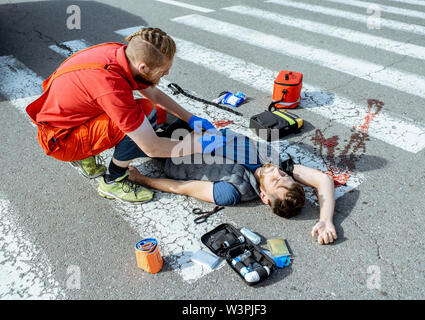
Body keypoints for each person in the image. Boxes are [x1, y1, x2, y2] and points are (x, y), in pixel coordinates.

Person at [26, 27, 221, 204]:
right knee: (145, 114)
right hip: (61, 140)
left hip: (66, 120)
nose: (168, 73)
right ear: (143, 67)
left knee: (155, 113)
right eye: (163, 71)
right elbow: (152, 148)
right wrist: (201, 145)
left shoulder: (122, 53)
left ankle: (87, 153)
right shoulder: (110, 86)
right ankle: (113, 179)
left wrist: (190, 118)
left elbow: (152, 92)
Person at [128, 128, 338, 245]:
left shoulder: (232, 191)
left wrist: (141, 179)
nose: (275, 171)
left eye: (275, 180)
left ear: (264, 197)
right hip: (195, 130)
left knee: (128, 129)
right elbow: (323, 180)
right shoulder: (275, 164)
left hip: (170, 150)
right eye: (283, 174)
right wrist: (326, 220)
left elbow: (183, 187)